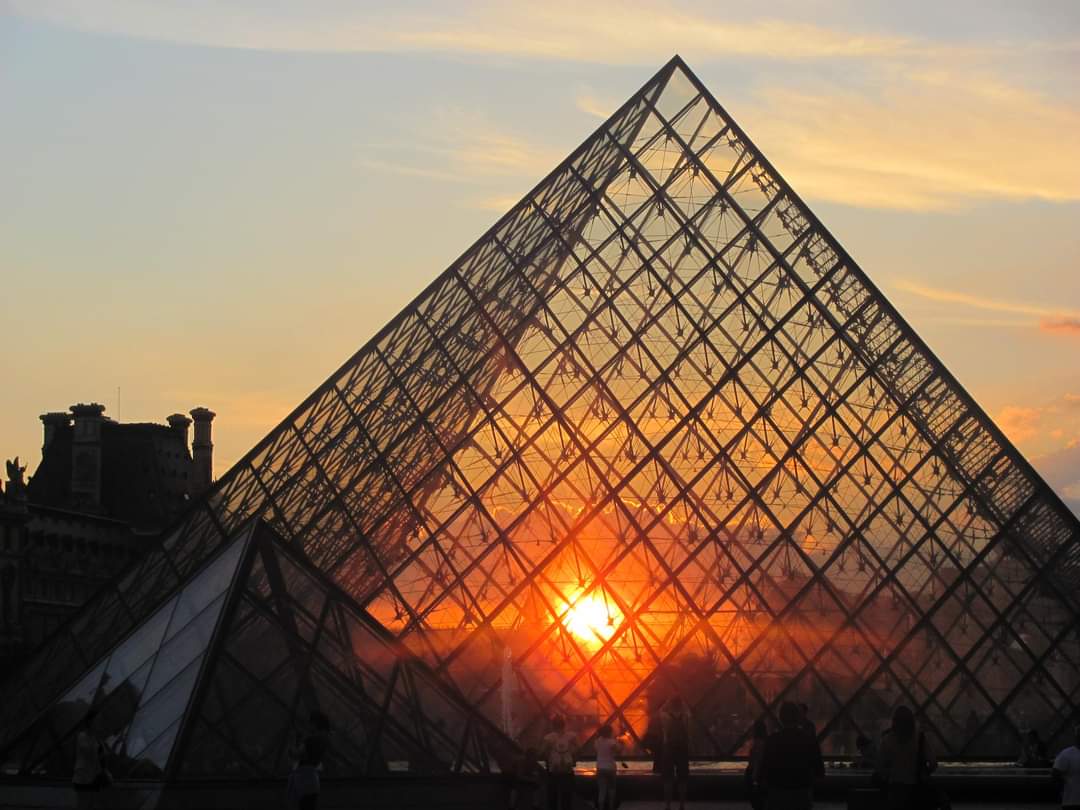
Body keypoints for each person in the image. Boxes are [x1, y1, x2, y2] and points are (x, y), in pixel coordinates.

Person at [756, 701, 824, 810]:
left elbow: (762, 771)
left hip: (776, 794)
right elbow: (820, 771)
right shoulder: (809, 740)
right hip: (801, 794)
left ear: (780, 718)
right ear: (798, 718)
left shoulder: (772, 740)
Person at [874, 705, 936, 810]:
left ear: (894, 721)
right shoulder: (920, 739)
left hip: (895, 789)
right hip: (916, 790)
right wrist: (924, 773)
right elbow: (933, 763)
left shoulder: (887, 740)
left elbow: (879, 767)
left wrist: (888, 774)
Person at [288, 710, 330, 810]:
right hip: (313, 781)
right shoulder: (323, 740)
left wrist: (294, 740)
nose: (308, 725)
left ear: (315, 723)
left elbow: (295, 754)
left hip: (303, 781)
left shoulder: (310, 740)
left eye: (310, 723)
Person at [72, 710, 109, 810]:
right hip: (82, 777)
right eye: (96, 720)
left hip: (93, 776)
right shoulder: (82, 736)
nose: (99, 723)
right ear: (90, 722)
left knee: (91, 804)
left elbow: (104, 754)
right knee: (83, 804)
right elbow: (88, 751)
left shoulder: (96, 737)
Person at [660, 696, 691, 810]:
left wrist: (666, 702)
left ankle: (668, 805)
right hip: (682, 748)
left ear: (671, 705)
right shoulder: (685, 716)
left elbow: (661, 711)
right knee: (683, 777)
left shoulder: (665, 717)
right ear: (680, 705)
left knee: (668, 778)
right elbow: (688, 711)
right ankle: (682, 805)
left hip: (669, 748)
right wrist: (683, 703)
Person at [541, 715, 577, 810]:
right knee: (566, 796)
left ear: (553, 725)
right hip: (567, 769)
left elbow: (542, 751)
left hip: (553, 769)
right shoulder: (571, 736)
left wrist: (548, 760)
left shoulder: (548, 737)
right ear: (564, 724)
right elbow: (578, 749)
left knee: (552, 796)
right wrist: (574, 760)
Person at [1053, 724, 1080, 810]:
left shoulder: (1066, 754)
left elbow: (1055, 774)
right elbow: (1055, 775)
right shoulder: (1066, 754)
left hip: (1071, 800)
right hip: (1072, 801)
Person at [595, 723, 620, 810]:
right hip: (610, 768)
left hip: (600, 767)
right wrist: (617, 741)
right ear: (610, 732)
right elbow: (618, 750)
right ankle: (611, 807)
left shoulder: (597, 741)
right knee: (612, 790)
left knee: (602, 791)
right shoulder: (612, 742)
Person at [746, 719, 768, 810]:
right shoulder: (766, 742)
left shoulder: (757, 744)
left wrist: (754, 778)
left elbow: (756, 761)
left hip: (755, 775)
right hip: (762, 775)